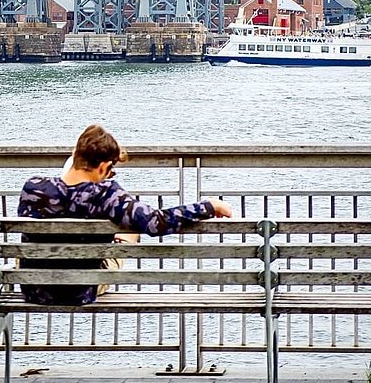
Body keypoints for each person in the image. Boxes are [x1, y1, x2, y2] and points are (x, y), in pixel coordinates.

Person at [17, 124, 233, 305]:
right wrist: (209, 206)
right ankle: (121, 236)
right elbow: (155, 222)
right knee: (131, 232)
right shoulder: (105, 195)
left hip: (34, 289)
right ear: (103, 167)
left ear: (75, 156)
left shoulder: (32, 187)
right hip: (79, 291)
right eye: (111, 171)